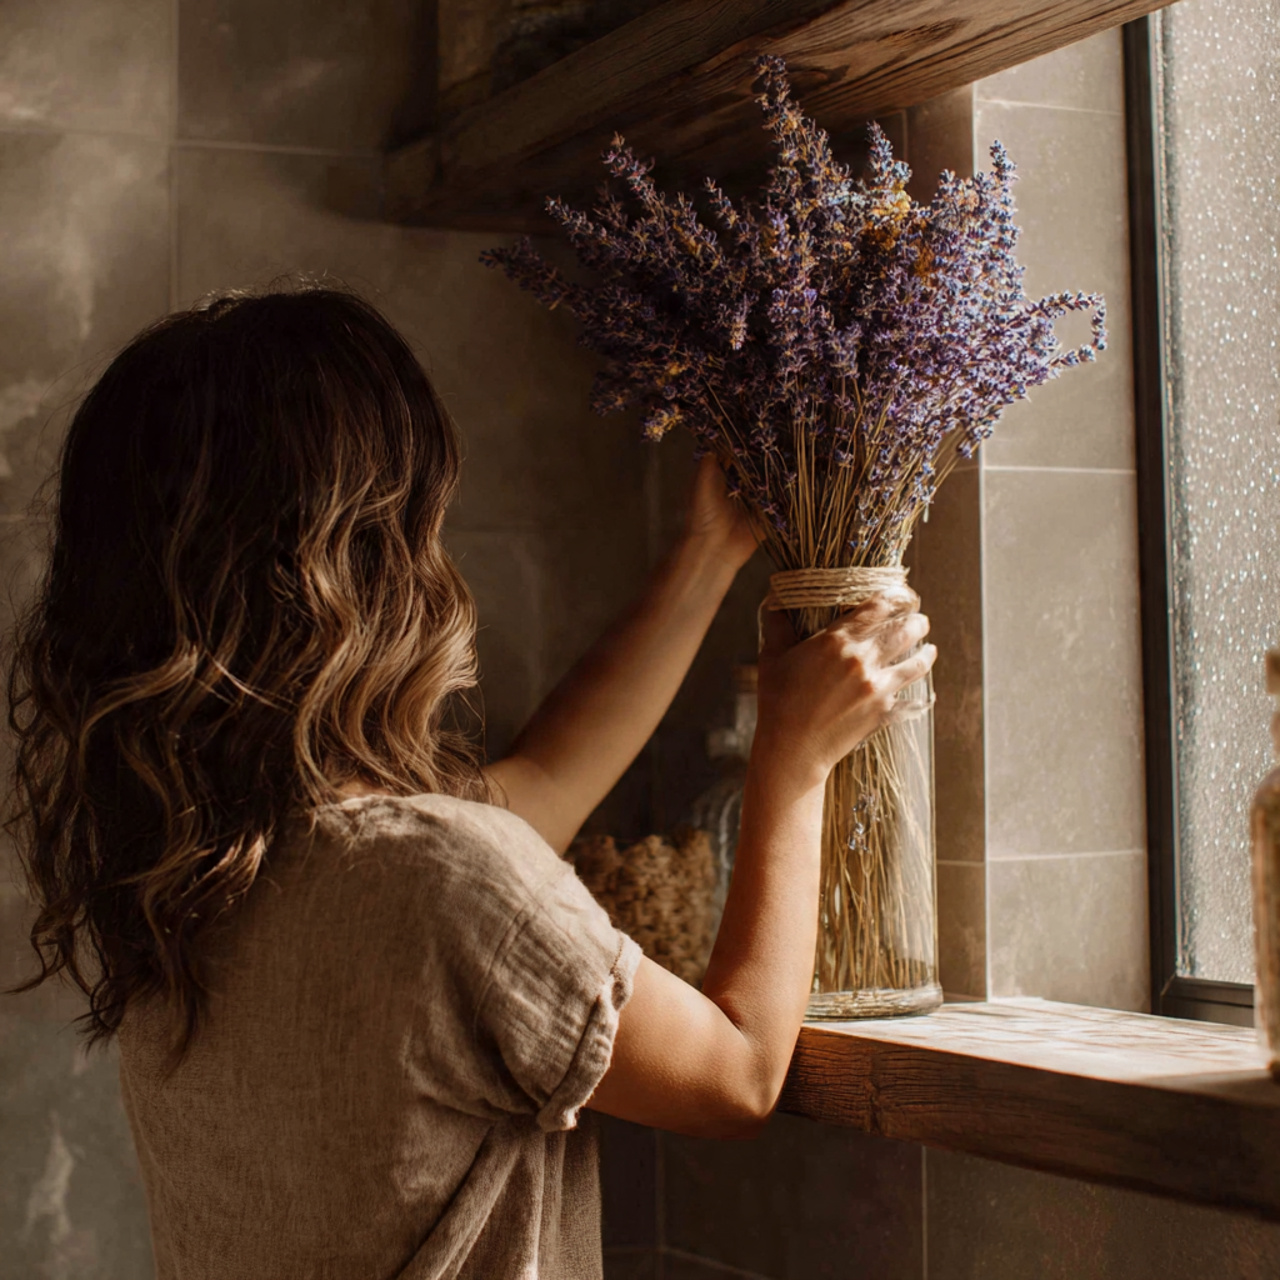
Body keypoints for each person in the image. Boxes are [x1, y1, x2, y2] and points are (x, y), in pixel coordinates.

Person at [6, 286, 934, 1279]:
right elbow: (737, 1072)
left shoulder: (200, 878)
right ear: (367, 562)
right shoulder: (441, 878)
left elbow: (536, 784)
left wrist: (707, 556)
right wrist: (789, 761)